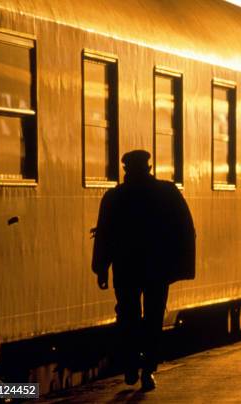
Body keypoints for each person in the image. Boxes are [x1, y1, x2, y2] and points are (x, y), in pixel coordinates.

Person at [91, 150, 195, 391]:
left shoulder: (114, 197)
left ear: (126, 170)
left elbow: (104, 235)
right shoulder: (167, 192)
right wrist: (180, 266)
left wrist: (101, 268)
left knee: (128, 316)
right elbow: (185, 229)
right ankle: (148, 370)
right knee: (153, 318)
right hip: (158, 267)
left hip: (126, 267)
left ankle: (130, 364)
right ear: (149, 168)